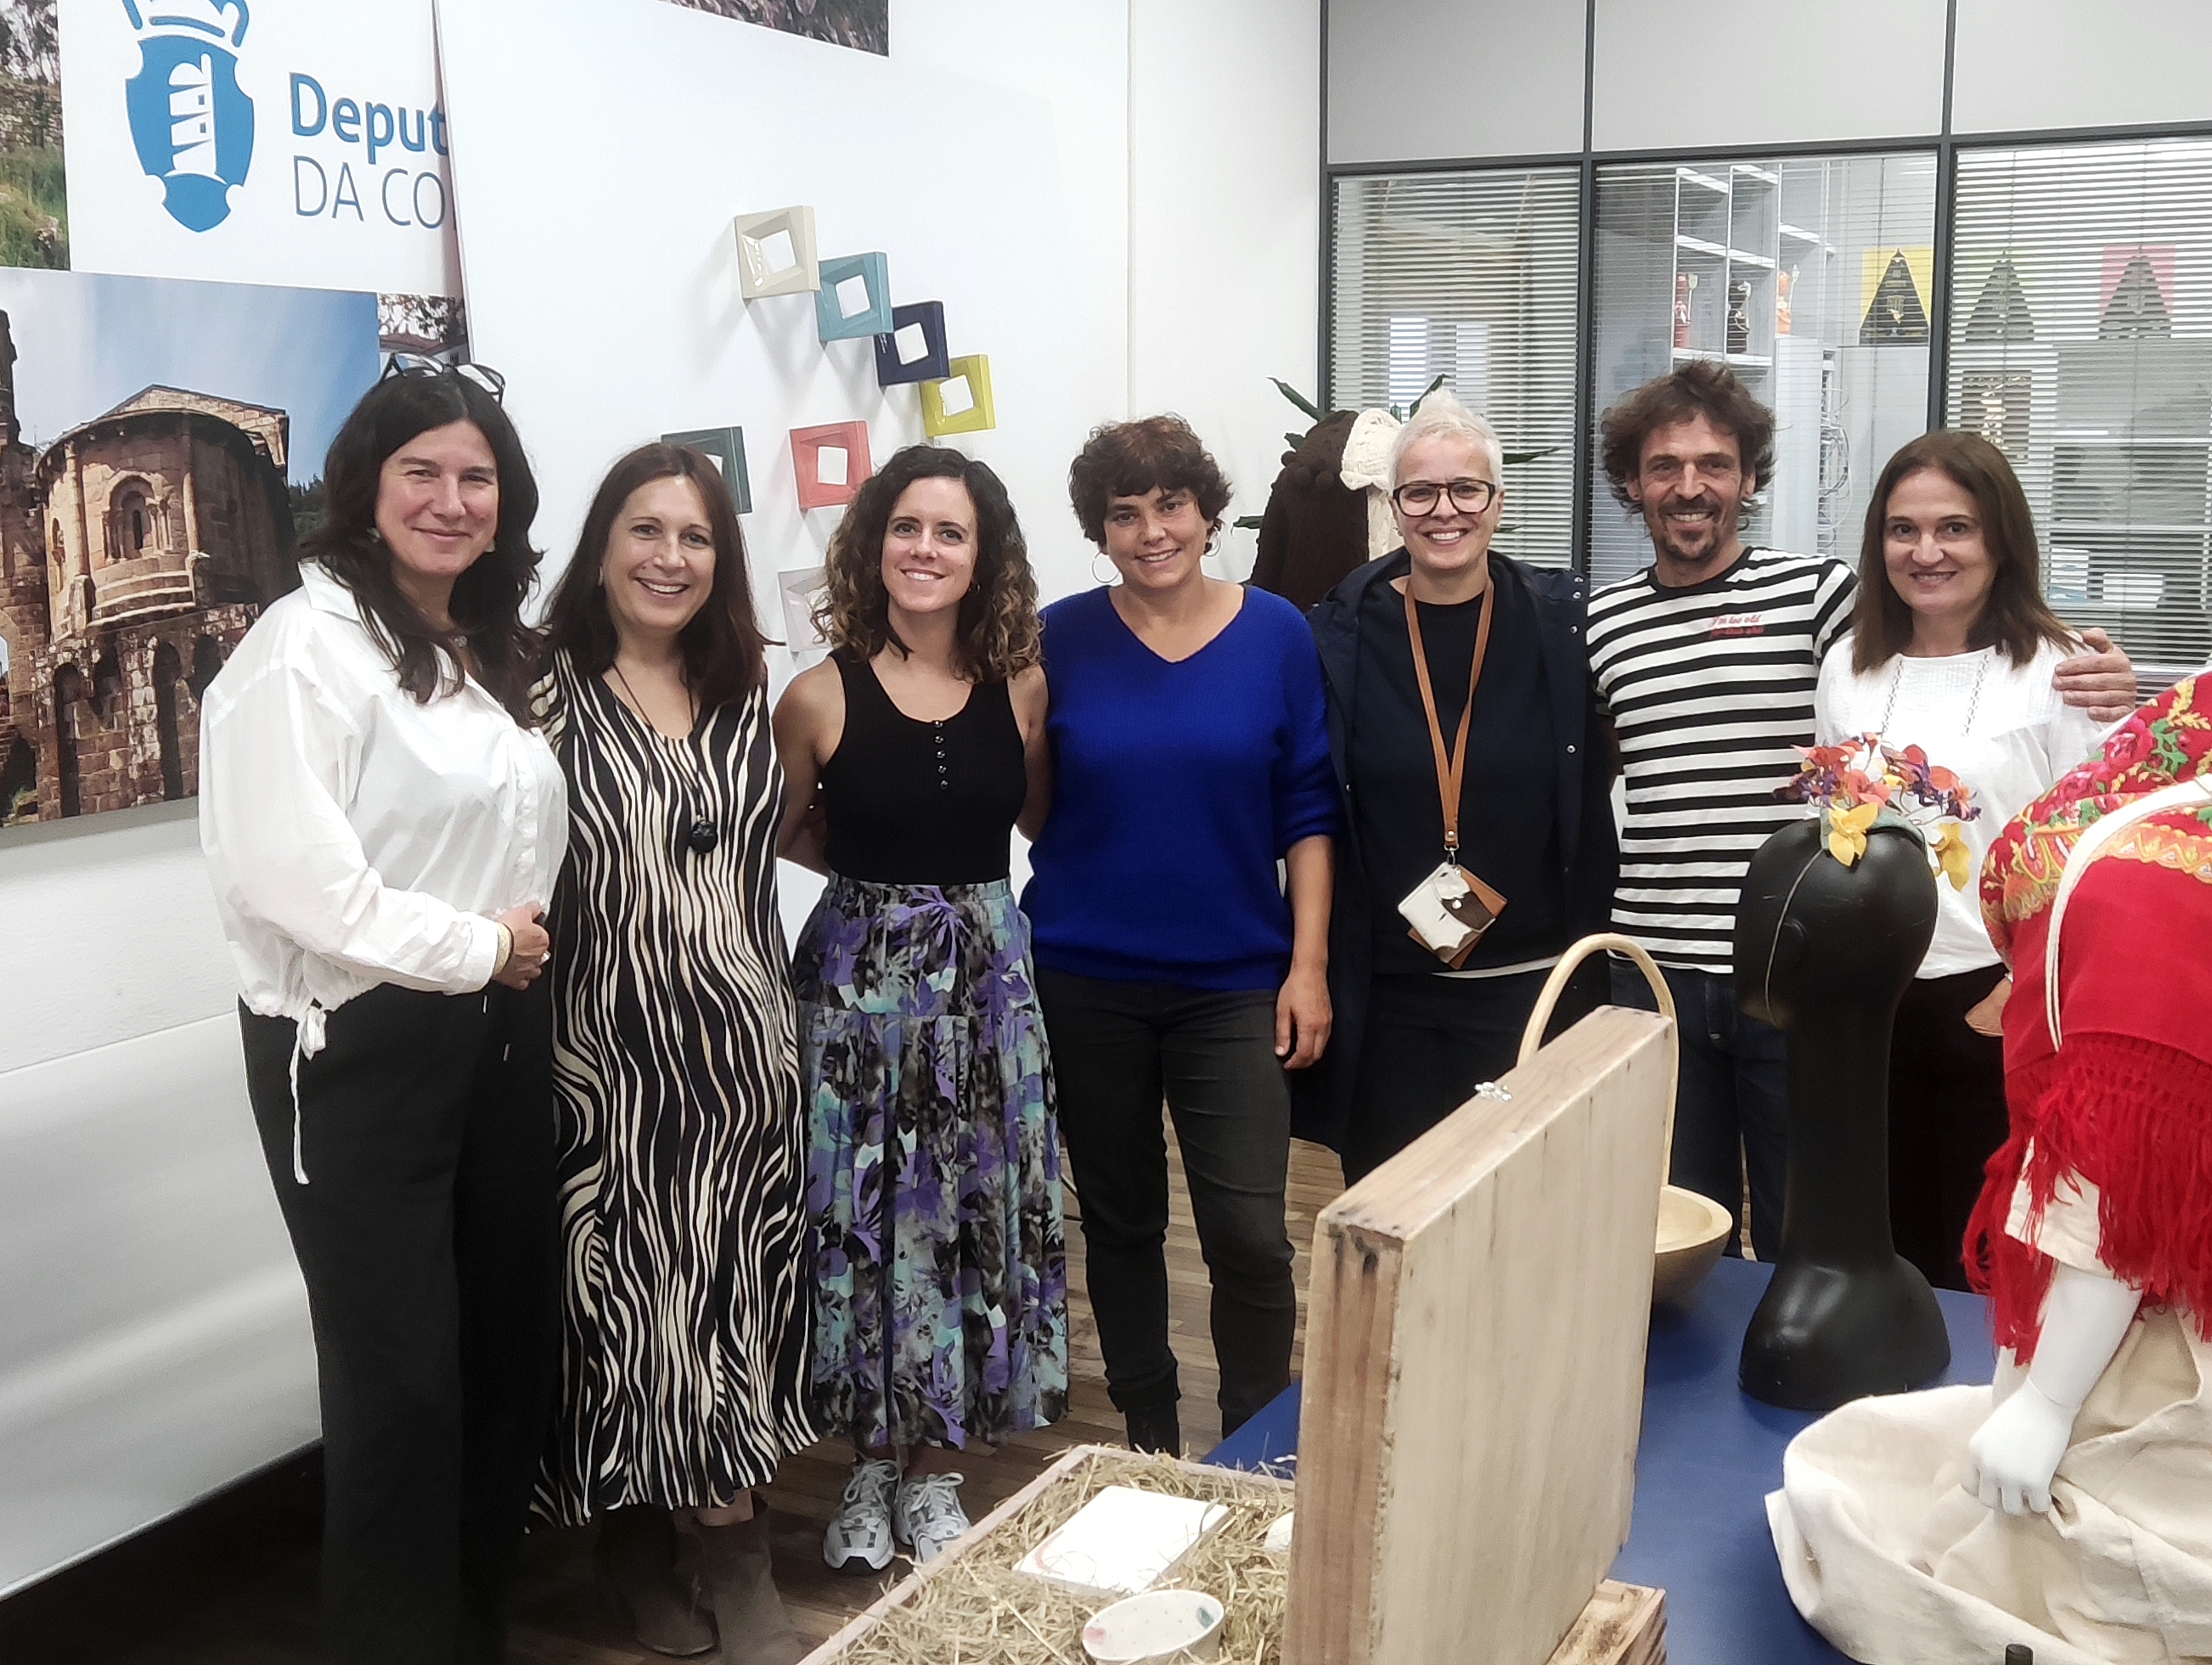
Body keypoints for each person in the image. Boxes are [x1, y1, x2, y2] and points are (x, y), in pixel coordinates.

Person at [1586, 361, 2136, 1259]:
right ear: (1630, 481)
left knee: (1834, 1227)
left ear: (1749, 477)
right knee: (1686, 1218)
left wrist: (2116, 679)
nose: (1689, 486)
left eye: (1714, 463)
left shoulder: (1820, 600)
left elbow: (2098, 837)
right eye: (1663, 466)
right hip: (1696, 973)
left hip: (1809, 970)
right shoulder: (1608, 622)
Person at [198, 361, 565, 1665]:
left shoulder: (487, 648)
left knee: (502, 1357)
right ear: (365, 484)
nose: (451, 500)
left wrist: (502, 958)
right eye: (423, 472)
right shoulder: (300, 651)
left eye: (477, 477)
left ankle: (473, 1632)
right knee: (399, 1386)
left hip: (497, 1033)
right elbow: (300, 887)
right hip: (356, 1047)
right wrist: (481, 944)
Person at [533, 444, 813, 1664]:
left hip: (742, 1062)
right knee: (632, 1311)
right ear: (602, 544)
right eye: (645, 530)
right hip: (606, 1069)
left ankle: (737, 1553)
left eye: (695, 536)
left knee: (728, 1304)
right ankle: (637, 1547)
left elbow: (764, 865)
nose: (669, 557)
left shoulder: (744, 689)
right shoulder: (536, 694)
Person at [774, 444, 1066, 1574]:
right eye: (907, 527)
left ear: (982, 556)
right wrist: (882, 892)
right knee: (861, 1222)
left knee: (971, 1216)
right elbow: (785, 828)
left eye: (951, 532)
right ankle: (866, 1464)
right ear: (872, 543)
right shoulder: (817, 693)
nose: (926, 549)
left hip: (987, 993)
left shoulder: (1021, 684)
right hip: (859, 999)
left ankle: (937, 1466)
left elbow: (1034, 817)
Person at [1023, 415, 1337, 1455]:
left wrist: (1307, 965)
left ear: (1208, 514)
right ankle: (1149, 1435)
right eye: (1125, 513)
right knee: (1119, 1222)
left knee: (1250, 1233)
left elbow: (1307, 809)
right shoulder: (1057, 638)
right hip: (1085, 976)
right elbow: (1033, 801)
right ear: (1099, 531)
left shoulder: (1276, 632)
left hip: (1234, 982)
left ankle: (1253, 1445)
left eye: (1170, 505)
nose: (1152, 530)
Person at [1813, 430, 2106, 1291]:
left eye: (1954, 528)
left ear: (1999, 539)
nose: (1926, 551)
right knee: (1890, 1243)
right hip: (1874, 997)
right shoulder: (1848, 668)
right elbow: (1834, 827)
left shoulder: (2059, 669)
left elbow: (2093, 851)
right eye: (1902, 530)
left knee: (1992, 1257)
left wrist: (2015, 988)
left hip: (1999, 994)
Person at [1301, 391, 1617, 1182]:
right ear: (1394, 507)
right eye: (1419, 492)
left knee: (1527, 1211)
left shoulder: (1566, 628)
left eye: (1466, 489)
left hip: (1532, 994)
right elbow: (1313, 806)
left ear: (1497, 503)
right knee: (1394, 1210)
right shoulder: (1335, 636)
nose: (1444, 510)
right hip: (1390, 1003)